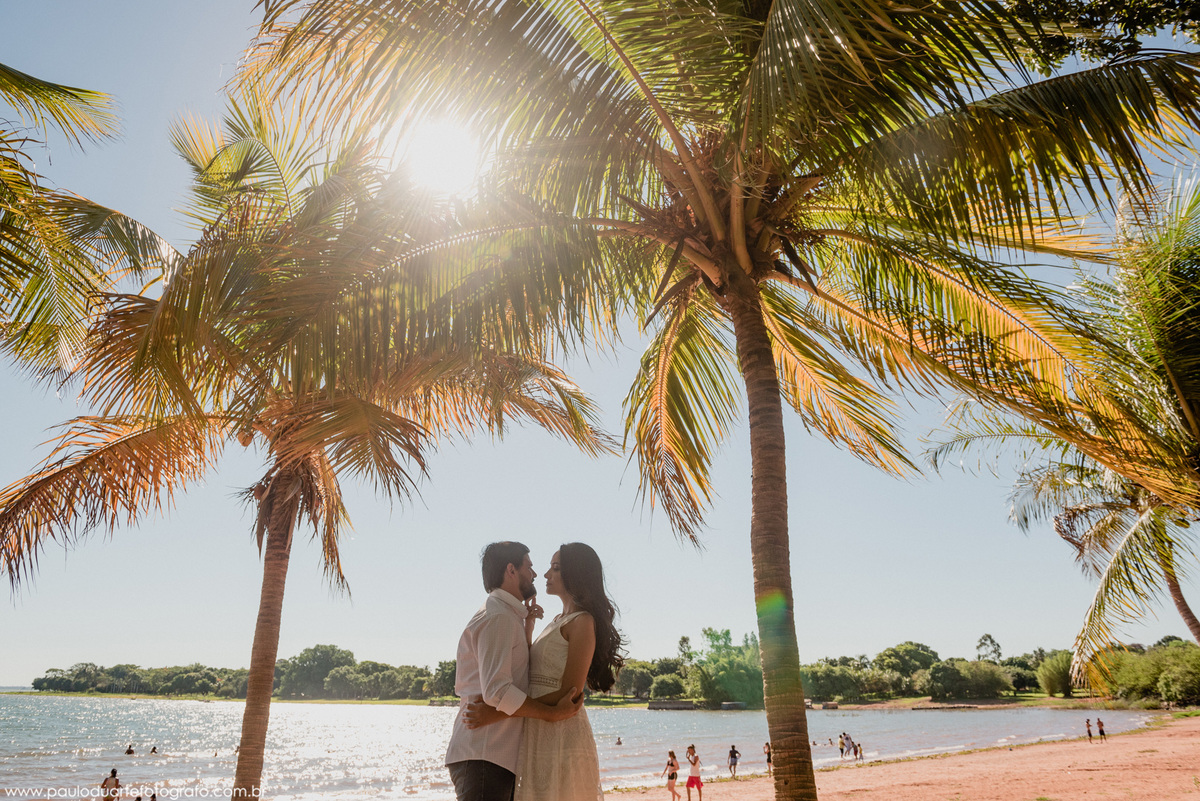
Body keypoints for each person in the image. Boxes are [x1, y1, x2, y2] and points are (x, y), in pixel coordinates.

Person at [466, 542, 624, 801]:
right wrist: (528, 627)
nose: (546, 574)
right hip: (538, 730)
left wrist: (495, 714)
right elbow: (532, 670)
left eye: (556, 568)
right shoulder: (556, 620)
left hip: (562, 731)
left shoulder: (582, 621)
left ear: (576, 574)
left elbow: (569, 692)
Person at [445, 541, 583, 801]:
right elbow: (497, 691)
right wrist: (552, 713)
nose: (534, 574)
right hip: (485, 753)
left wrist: (527, 628)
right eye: (529, 567)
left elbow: (514, 675)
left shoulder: (506, 616)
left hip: (490, 755)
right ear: (511, 570)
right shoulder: (499, 617)